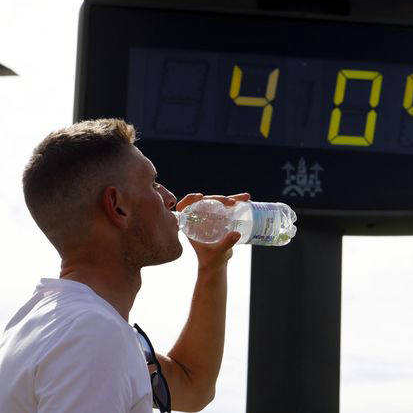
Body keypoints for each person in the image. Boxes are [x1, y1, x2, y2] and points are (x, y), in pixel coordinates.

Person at [0, 118, 249, 412]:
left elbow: (193, 386)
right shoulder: (93, 334)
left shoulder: (46, 321)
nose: (171, 198)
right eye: (153, 184)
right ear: (117, 206)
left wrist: (212, 266)